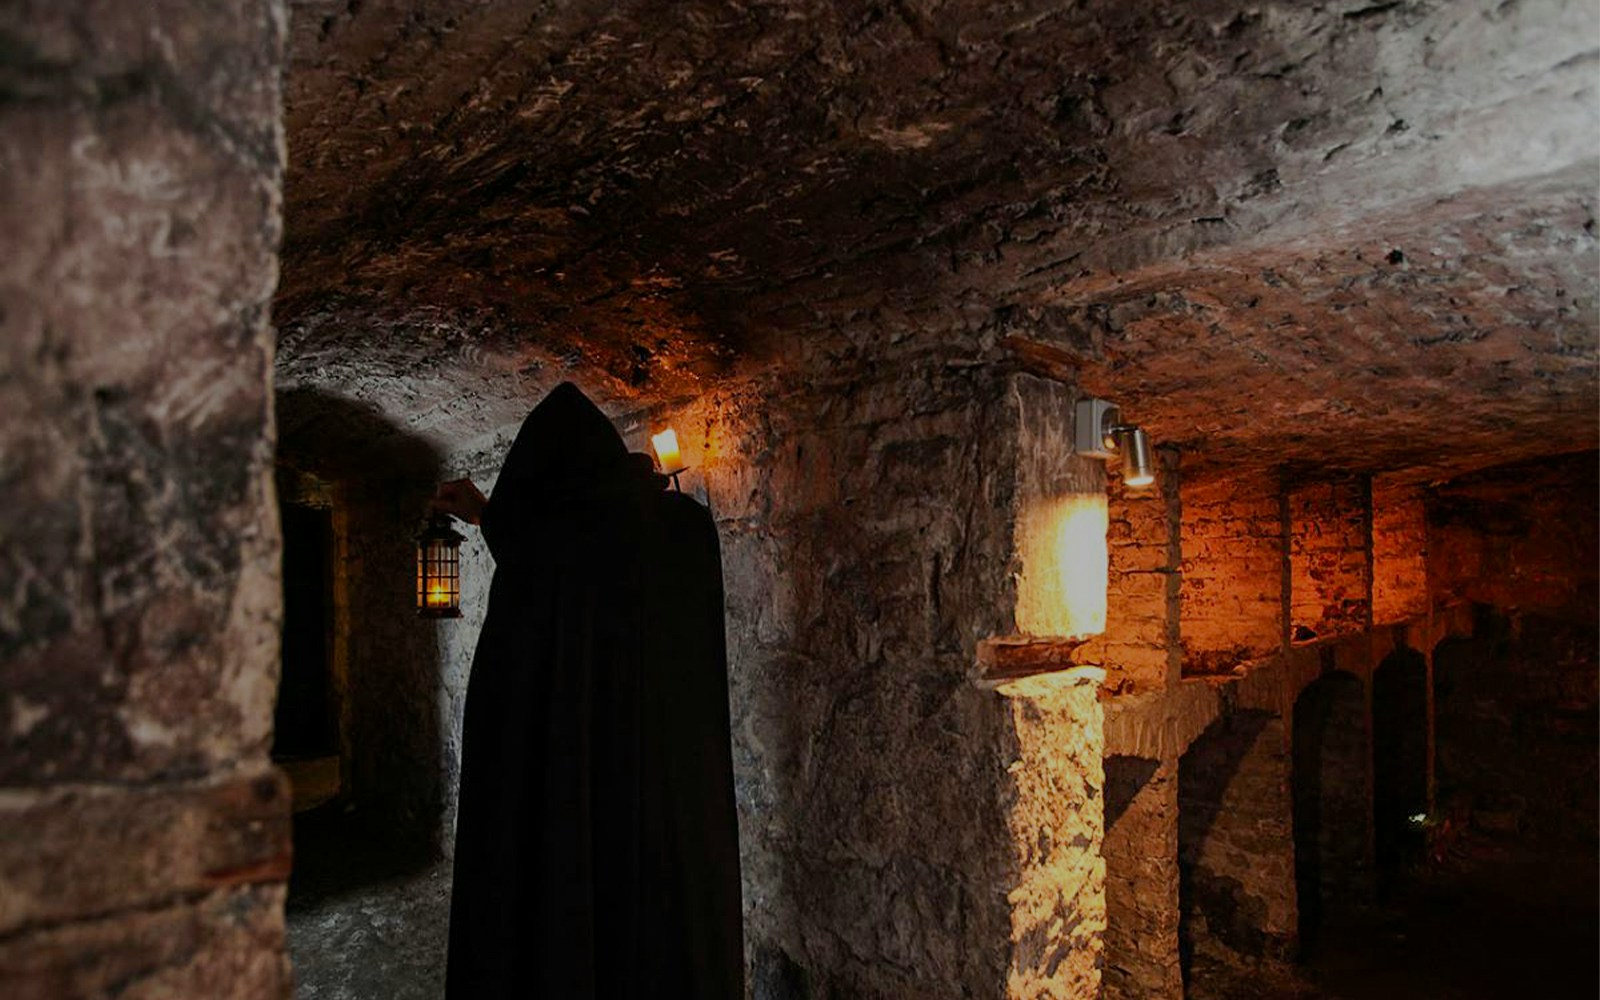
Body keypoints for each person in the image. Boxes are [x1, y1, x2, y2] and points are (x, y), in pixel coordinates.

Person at [436, 382, 744, 1000]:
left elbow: (542, 541)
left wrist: (489, 515)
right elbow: (562, 534)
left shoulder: (547, 559)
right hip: (667, 784)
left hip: (581, 790)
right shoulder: (683, 531)